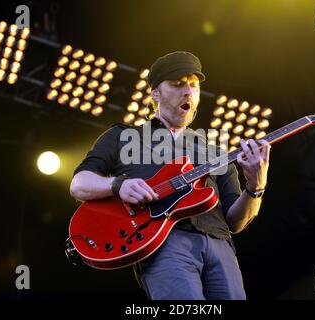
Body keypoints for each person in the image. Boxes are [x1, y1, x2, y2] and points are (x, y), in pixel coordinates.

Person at [70, 51, 271, 300]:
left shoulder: (216, 152)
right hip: (165, 243)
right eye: (177, 85)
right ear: (155, 93)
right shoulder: (122, 136)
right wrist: (117, 185)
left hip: (221, 245)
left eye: (194, 86)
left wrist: (255, 186)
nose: (187, 92)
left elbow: (236, 222)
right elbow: (79, 184)